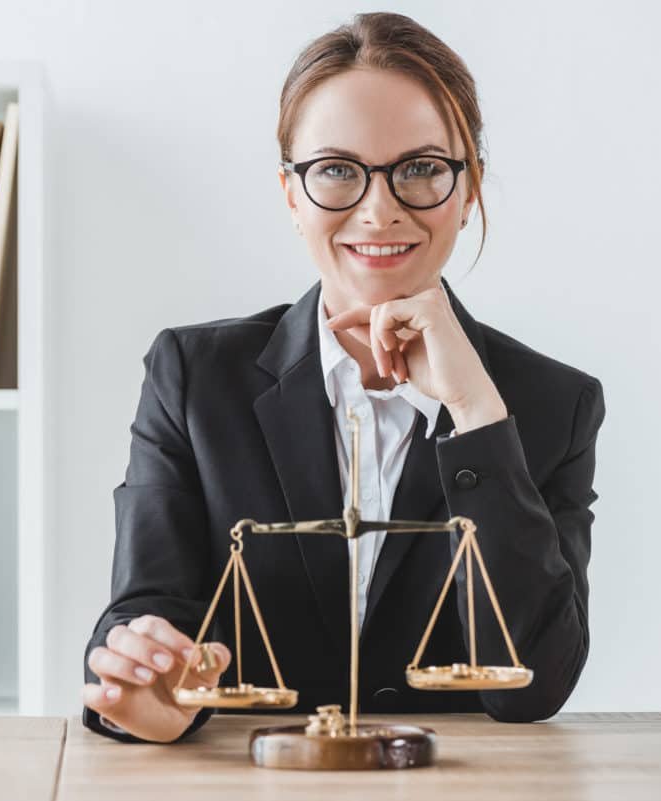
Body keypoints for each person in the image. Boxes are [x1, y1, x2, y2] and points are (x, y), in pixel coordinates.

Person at [81, 11, 606, 744]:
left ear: (469, 190)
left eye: (420, 168)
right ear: (291, 194)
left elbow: (534, 685)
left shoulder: (552, 403)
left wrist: (475, 412)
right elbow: (146, 611)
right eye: (335, 170)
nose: (379, 210)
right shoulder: (196, 378)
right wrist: (148, 685)